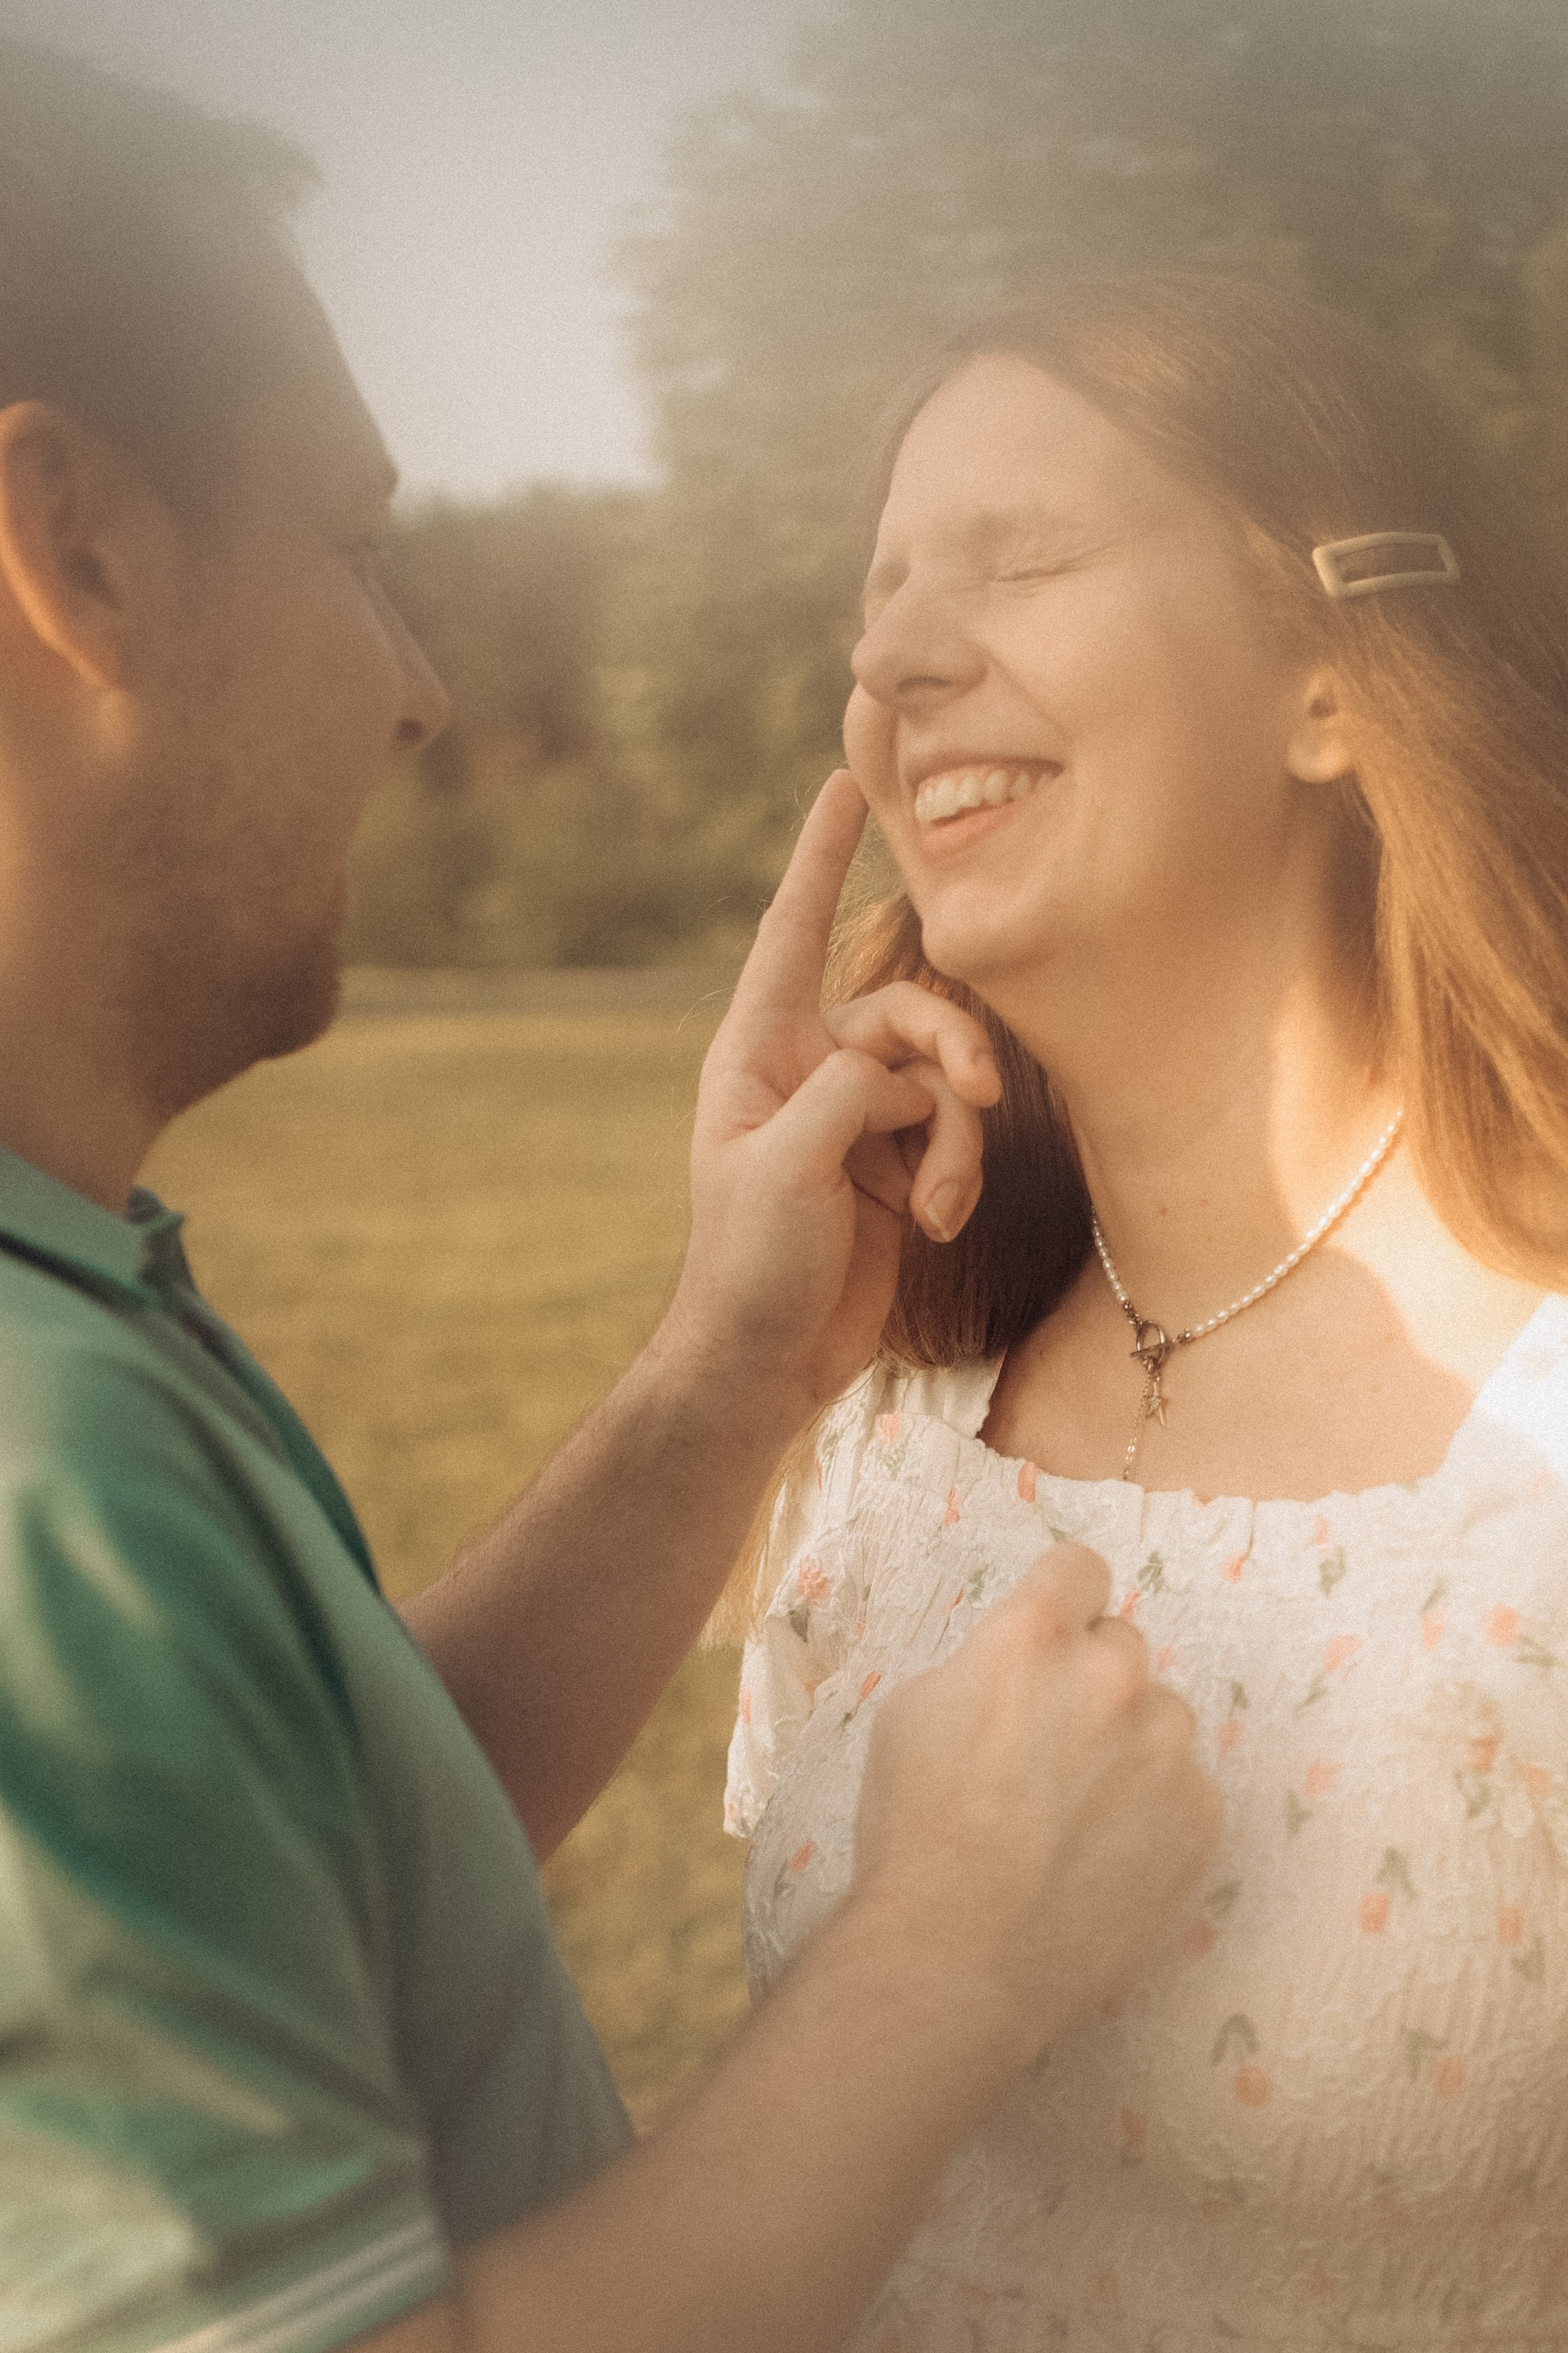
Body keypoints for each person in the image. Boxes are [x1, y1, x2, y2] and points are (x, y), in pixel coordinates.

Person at [0, 43, 1222, 2353]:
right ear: (78, 551)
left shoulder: (74, 1319)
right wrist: (947, 1955)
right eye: (356, 550)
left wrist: (721, 1379)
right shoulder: (30, 1472)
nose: (423, 690)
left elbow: (276, 1860)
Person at [726, 271, 1568, 2349]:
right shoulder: (886, 1421)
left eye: (1020, 559)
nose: (892, 655)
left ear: (1326, 685)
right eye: (882, 591)